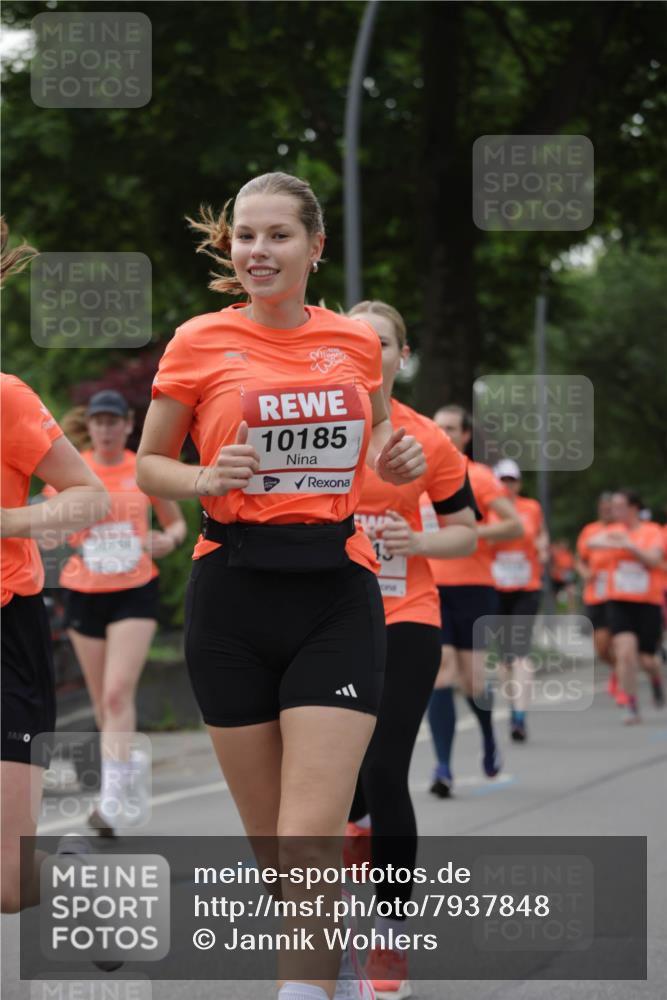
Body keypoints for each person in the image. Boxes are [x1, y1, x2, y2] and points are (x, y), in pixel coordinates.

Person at [135, 172, 425, 1000]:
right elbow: (153, 461)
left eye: (277, 236)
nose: (257, 252)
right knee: (279, 861)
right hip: (229, 594)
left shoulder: (356, 343)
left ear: (314, 247)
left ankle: (304, 987)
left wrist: (393, 457)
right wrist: (200, 478)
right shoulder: (196, 341)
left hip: (336, 590)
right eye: (245, 237)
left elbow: (375, 446)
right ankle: (321, 945)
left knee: (308, 840)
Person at [343, 305, 477, 997]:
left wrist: (417, 541)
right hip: (327, 619)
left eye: (382, 343)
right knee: (337, 778)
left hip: (404, 612)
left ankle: (390, 935)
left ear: (402, 356)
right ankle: (355, 830)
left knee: (386, 764)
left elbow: (465, 533)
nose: (367, 353)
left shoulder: (428, 439)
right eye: (354, 341)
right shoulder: (312, 424)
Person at [0, 218, 109, 912]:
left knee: (8, 887)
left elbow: (89, 496)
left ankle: (77, 877)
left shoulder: (6, 397)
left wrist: (14, 521)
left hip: (5, 631)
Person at [50, 390, 186, 836]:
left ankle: (109, 800)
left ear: (129, 424)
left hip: (134, 592)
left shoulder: (141, 469)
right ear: (89, 426)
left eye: (114, 421)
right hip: (84, 591)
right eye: (99, 421)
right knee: (103, 704)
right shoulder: (72, 472)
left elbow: (176, 523)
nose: (106, 429)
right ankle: (127, 764)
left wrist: (169, 540)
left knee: (116, 694)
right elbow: (48, 527)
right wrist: (58, 532)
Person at [424, 406, 523, 798]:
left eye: (450, 428)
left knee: (474, 681)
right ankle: (443, 766)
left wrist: (468, 534)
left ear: (465, 436)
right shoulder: (416, 473)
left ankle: (488, 740)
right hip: (430, 587)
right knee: (442, 671)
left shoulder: (478, 477)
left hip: (474, 587)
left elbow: (514, 524)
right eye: (436, 427)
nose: (442, 433)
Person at [585, 490, 664, 723]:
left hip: (646, 601)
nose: (613, 511)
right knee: (625, 652)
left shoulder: (652, 531)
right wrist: (613, 540)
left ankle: (656, 678)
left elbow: (653, 559)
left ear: (634, 508)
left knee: (647, 660)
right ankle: (631, 704)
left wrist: (630, 546)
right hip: (618, 600)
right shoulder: (611, 531)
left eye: (619, 507)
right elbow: (591, 543)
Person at [488, 459, 549, 742]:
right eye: (503, 480)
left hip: (526, 586)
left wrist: (543, 547)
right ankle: (514, 706)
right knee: (504, 659)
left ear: (519, 483)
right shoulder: (487, 509)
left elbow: (541, 536)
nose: (508, 485)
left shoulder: (531, 508)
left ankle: (520, 718)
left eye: (512, 480)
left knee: (521, 652)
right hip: (496, 587)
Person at [575, 492, 619, 701]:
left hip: (620, 595)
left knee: (621, 641)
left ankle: (622, 678)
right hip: (596, 595)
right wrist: (585, 573)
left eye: (611, 507)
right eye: (604, 506)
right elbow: (580, 560)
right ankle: (619, 669)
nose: (607, 510)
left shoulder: (622, 530)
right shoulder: (589, 531)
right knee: (601, 647)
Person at [549, 539, 577, 612]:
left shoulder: (568, 554)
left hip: (567, 574)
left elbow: (572, 565)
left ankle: (571, 609)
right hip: (557, 575)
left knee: (570, 591)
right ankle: (555, 609)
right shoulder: (555, 552)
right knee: (554, 593)